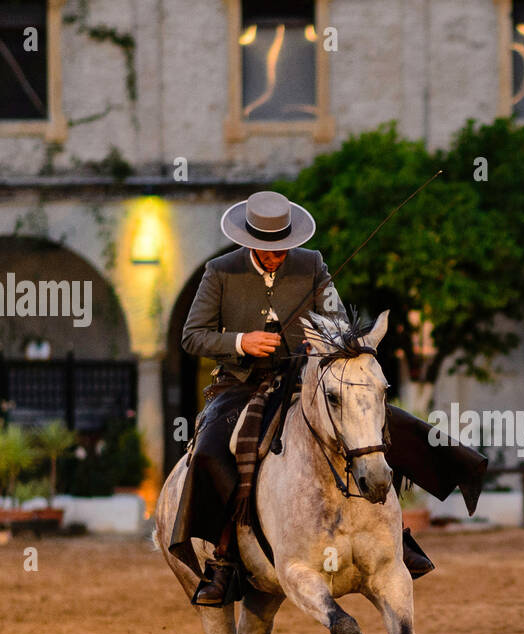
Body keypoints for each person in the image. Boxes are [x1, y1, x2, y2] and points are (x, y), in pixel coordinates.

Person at [170, 191, 485, 606]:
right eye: (268, 252)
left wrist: (322, 344)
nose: (276, 258)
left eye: (282, 250)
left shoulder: (313, 264)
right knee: (212, 450)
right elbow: (192, 336)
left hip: (306, 377)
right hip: (241, 382)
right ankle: (224, 558)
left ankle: (400, 534)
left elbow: (336, 321)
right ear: (250, 244)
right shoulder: (219, 272)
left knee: (373, 422)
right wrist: (242, 341)